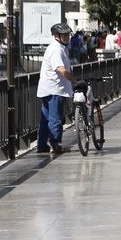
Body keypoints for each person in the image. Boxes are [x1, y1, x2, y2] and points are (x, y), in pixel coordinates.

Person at [36, 22, 76, 154]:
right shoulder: (56, 50)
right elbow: (61, 69)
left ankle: (42, 145)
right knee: (55, 119)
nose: (67, 37)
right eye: (64, 35)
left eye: (68, 35)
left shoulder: (59, 48)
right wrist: (74, 81)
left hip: (48, 88)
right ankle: (55, 145)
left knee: (46, 119)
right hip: (55, 89)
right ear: (56, 36)